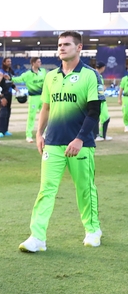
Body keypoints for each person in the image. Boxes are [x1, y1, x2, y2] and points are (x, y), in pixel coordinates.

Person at [19, 31, 104, 253]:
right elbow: (45, 107)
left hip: (81, 144)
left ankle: (93, 230)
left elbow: (94, 112)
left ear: (79, 48)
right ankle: (37, 237)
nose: (62, 48)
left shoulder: (91, 75)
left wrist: (80, 138)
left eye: (67, 44)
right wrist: (39, 134)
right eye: (59, 44)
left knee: (85, 189)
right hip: (53, 143)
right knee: (46, 190)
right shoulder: (51, 76)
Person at [11, 57, 47, 143]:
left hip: (43, 97)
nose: (40, 63)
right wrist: (9, 78)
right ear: (33, 63)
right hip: (33, 98)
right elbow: (18, 79)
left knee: (45, 116)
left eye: (40, 61)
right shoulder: (27, 74)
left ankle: (45, 134)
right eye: (38, 62)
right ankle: (29, 135)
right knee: (31, 117)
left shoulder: (43, 72)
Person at [0, 57, 15, 138]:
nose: (9, 62)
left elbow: (11, 82)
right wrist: (2, 97)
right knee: (3, 112)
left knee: (8, 112)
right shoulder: (1, 72)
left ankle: (5, 130)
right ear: (4, 63)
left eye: (10, 61)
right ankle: (0, 131)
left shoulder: (11, 71)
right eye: (8, 61)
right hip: (2, 94)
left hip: (9, 94)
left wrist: (16, 89)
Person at [93, 62, 112, 141]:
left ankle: (101, 135)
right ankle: (97, 135)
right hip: (97, 99)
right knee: (100, 118)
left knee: (102, 117)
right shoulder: (95, 75)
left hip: (100, 99)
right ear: (103, 67)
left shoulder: (96, 74)